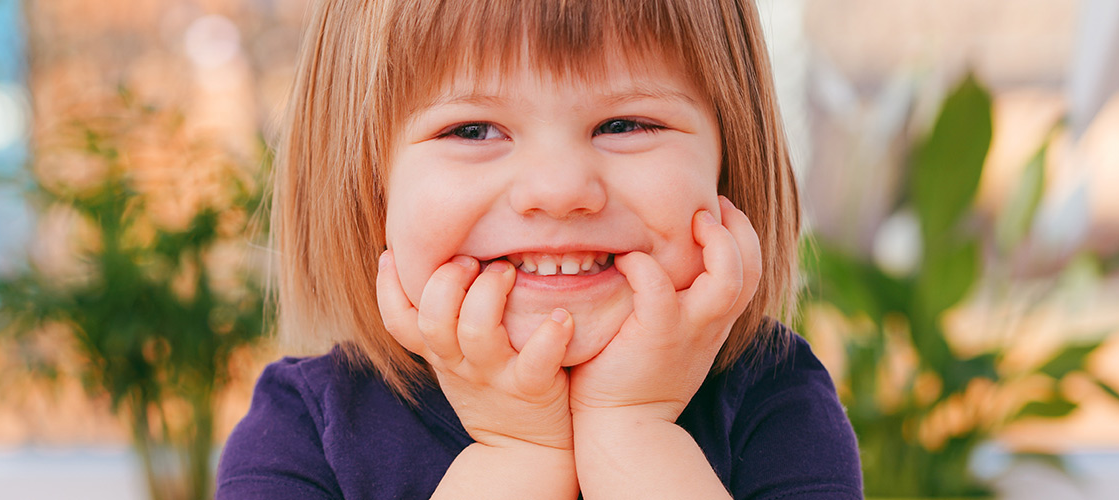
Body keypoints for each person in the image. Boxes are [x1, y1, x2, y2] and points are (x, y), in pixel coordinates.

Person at [217, 0, 861, 498]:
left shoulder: (778, 404)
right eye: (472, 129)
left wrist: (632, 432)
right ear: (367, 184)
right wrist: (515, 458)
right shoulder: (301, 432)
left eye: (625, 124)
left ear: (728, 164)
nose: (558, 191)